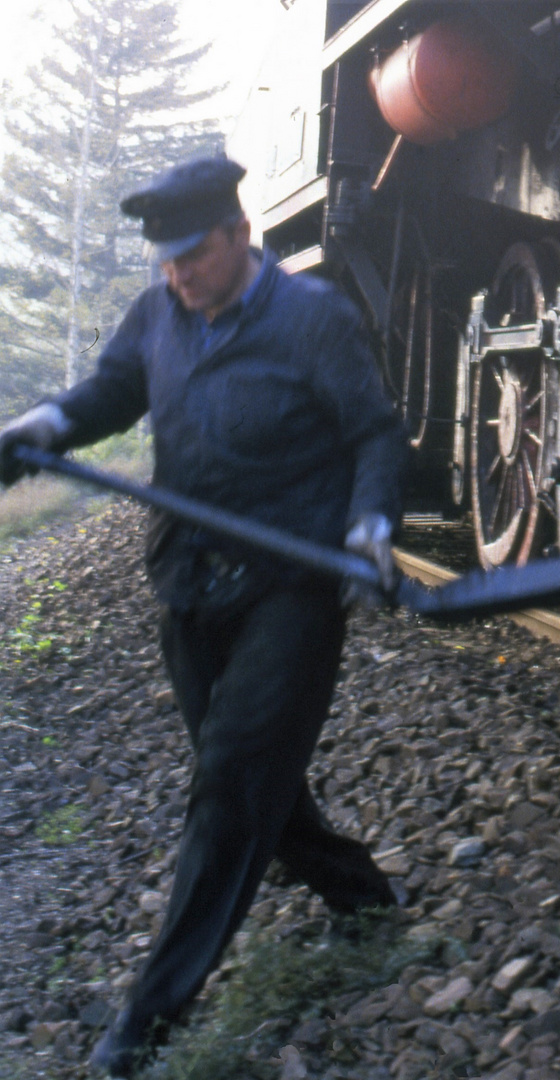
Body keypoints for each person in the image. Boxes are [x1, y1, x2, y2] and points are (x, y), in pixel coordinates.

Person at [0, 156, 410, 1077]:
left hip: (291, 587)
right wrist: (44, 426)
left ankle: (145, 1022)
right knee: (254, 780)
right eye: (164, 262)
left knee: (230, 779)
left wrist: (372, 522)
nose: (175, 275)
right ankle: (364, 899)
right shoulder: (159, 316)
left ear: (239, 236)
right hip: (188, 581)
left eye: (190, 255)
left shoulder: (314, 320)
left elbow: (375, 435)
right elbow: (110, 391)